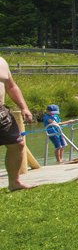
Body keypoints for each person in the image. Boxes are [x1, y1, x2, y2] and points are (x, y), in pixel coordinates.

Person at [1, 56, 34, 191]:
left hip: (1, 112)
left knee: (17, 144)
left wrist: (24, 107)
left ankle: (14, 182)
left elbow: (11, 86)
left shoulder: (1, 61)